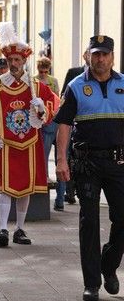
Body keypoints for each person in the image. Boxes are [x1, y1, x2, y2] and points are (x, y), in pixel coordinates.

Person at [54, 35, 124, 301]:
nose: (100, 59)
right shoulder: (75, 86)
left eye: (105, 54)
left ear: (112, 57)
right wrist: (61, 160)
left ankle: (109, 264)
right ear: (88, 56)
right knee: (89, 221)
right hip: (87, 163)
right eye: (96, 54)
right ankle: (92, 284)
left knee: (123, 218)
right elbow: (63, 125)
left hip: (119, 162)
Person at [0, 22, 57, 248]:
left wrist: (42, 108)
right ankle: (3, 228)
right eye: (10, 60)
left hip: (30, 144)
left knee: (25, 188)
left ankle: (20, 228)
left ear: (24, 62)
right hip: (7, 145)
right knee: (5, 187)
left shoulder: (37, 87)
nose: (13, 64)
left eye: (17, 61)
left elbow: (53, 107)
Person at [59, 49, 91, 206]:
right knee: (71, 156)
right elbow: (63, 94)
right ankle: (69, 191)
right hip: (72, 123)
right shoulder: (74, 73)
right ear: (85, 56)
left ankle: (71, 190)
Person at [35, 56, 61, 209]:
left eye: (45, 71)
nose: (43, 74)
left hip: (53, 121)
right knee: (42, 159)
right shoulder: (34, 80)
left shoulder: (54, 81)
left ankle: (59, 199)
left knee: (60, 159)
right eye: (41, 71)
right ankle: (43, 195)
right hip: (42, 123)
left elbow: (56, 99)